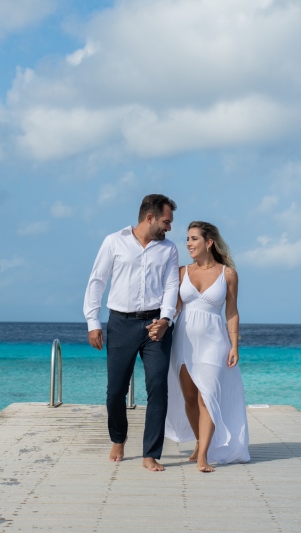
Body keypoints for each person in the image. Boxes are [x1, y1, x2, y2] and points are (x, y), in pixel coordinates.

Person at [83, 194, 180, 472]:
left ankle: (151, 453)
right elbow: (97, 281)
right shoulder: (114, 242)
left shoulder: (169, 249)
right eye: (166, 221)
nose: (169, 228)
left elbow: (172, 285)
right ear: (149, 218)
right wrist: (93, 322)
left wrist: (165, 319)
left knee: (158, 388)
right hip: (120, 324)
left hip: (156, 326)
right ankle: (118, 437)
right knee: (115, 392)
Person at [162, 221, 250, 472]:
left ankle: (203, 456)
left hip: (214, 341)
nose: (188, 243)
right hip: (184, 340)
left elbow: (232, 312)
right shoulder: (181, 272)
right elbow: (175, 307)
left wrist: (235, 345)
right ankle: (201, 443)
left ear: (208, 242)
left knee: (207, 396)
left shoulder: (228, 274)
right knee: (190, 397)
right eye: (187, 239)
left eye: (193, 239)